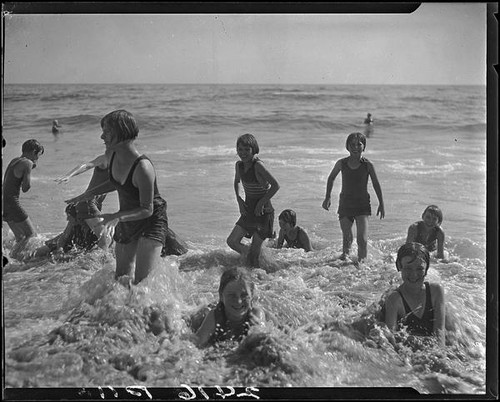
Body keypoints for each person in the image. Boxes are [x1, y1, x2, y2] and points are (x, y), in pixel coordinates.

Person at [65, 110, 168, 285]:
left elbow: (147, 209)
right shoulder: (111, 156)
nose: (101, 136)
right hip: (127, 217)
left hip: (150, 220)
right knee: (120, 278)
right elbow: (119, 183)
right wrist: (87, 194)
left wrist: (116, 216)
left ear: (121, 132)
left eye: (106, 131)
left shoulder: (143, 167)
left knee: (142, 283)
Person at [322, 132, 384, 263]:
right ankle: (345, 263)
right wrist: (327, 197)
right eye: (352, 145)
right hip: (345, 204)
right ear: (347, 147)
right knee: (347, 238)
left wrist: (381, 203)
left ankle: (362, 265)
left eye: (359, 144)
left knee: (362, 239)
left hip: (362, 205)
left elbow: (376, 183)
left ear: (364, 147)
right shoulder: (341, 163)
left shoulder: (368, 165)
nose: (356, 147)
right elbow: (331, 177)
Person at [226, 133, 280, 267]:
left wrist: (261, 203)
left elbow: (275, 185)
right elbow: (237, 181)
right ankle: (251, 257)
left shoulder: (258, 166)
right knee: (232, 241)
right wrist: (239, 200)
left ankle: (259, 276)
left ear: (254, 150)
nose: (243, 153)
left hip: (264, 212)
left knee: (255, 255)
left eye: (246, 150)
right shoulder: (239, 165)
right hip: (249, 208)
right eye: (240, 149)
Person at [383, 242, 445, 346]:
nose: (414, 274)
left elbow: (440, 336)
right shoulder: (394, 299)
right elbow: (391, 343)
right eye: (408, 268)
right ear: (399, 266)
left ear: (426, 269)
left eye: (419, 269)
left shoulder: (436, 291)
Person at [194, 267, 265, 347]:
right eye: (232, 295)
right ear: (221, 296)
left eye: (244, 295)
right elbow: (195, 346)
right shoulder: (215, 316)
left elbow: (262, 344)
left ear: (252, 295)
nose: (239, 301)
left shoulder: (255, 314)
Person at [2, 139, 45, 258]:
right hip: (12, 202)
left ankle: (11, 258)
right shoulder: (28, 163)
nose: (37, 158)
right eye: (38, 155)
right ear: (33, 152)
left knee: (20, 237)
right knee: (31, 235)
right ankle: (14, 258)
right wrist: (30, 170)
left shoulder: (14, 160)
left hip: (3, 203)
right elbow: (26, 187)